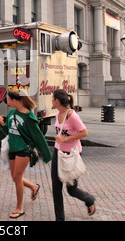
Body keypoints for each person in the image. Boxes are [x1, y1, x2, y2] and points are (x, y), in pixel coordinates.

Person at [0, 88, 52, 219]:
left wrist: (46, 154)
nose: (7, 102)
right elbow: (8, 131)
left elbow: (38, 137)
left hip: (23, 150)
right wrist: (2, 124)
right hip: (12, 149)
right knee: (15, 177)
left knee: (17, 178)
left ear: (15, 100)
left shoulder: (29, 117)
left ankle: (19, 208)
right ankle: (34, 187)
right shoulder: (11, 113)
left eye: (9, 100)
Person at [51, 89, 96, 221]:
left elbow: (84, 133)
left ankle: (89, 200)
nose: (51, 101)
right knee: (56, 187)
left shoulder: (72, 115)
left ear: (57, 101)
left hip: (71, 154)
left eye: (52, 99)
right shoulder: (57, 114)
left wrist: (65, 139)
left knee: (72, 190)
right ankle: (60, 218)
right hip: (58, 152)